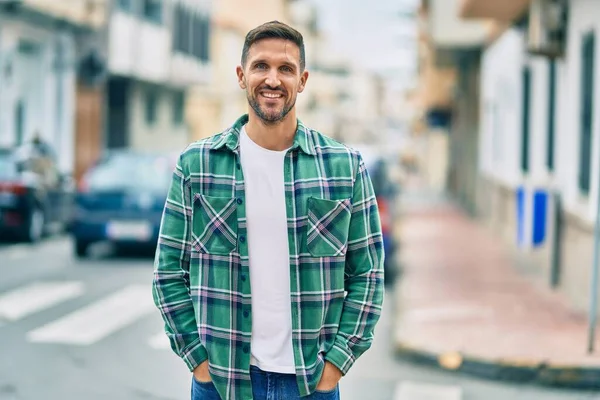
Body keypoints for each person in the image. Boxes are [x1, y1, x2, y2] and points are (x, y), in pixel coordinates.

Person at [152, 21, 384, 400]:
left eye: (286, 68)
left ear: (303, 80)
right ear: (242, 76)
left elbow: (368, 274)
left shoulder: (344, 168)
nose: (272, 79)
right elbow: (168, 271)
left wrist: (336, 364)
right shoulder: (198, 164)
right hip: (222, 383)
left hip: (310, 386)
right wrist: (199, 361)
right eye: (261, 66)